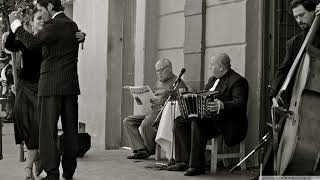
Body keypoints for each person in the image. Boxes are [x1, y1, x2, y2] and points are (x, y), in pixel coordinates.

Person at [9, 0, 84, 179]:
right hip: (70, 87)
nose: (41, 15)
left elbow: (32, 42)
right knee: (70, 131)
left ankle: (51, 173)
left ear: (51, 7)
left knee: (47, 132)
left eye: (42, 10)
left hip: (50, 87)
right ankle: (69, 171)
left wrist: (15, 24)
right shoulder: (72, 25)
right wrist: (83, 36)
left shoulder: (53, 25)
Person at [167, 53, 248, 176]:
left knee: (197, 122)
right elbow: (203, 96)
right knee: (180, 121)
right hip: (209, 119)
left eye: (211, 65)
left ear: (220, 67)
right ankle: (183, 160)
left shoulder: (238, 81)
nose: (210, 67)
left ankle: (197, 166)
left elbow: (240, 103)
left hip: (227, 123)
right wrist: (189, 95)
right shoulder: (212, 80)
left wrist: (222, 105)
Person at [5, 9, 44, 180]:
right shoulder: (27, 38)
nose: (42, 20)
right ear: (32, 22)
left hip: (41, 88)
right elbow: (9, 46)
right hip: (23, 87)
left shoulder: (49, 40)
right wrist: (15, 27)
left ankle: (29, 166)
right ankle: (36, 160)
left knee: (35, 127)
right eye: (38, 18)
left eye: (44, 18)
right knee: (23, 126)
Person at [123, 58, 189, 159]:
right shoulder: (158, 83)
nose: (158, 73)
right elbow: (152, 97)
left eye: (160, 70)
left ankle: (148, 150)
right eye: (157, 71)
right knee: (128, 121)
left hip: (165, 113)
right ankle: (140, 149)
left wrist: (163, 101)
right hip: (152, 111)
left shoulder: (178, 82)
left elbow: (182, 101)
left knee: (146, 124)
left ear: (169, 69)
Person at [271, 0, 320, 105]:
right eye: (296, 17)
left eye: (301, 15)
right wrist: (274, 94)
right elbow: (283, 70)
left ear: (314, 11)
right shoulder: (293, 43)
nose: (299, 20)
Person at [0, 51, 14, 123]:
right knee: (7, 102)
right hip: (6, 87)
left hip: (9, 87)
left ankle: (11, 115)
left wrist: (9, 89)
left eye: (2, 62)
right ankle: (8, 113)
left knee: (10, 101)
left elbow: (10, 80)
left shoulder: (9, 69)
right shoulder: (4, 69)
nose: (0, 64)